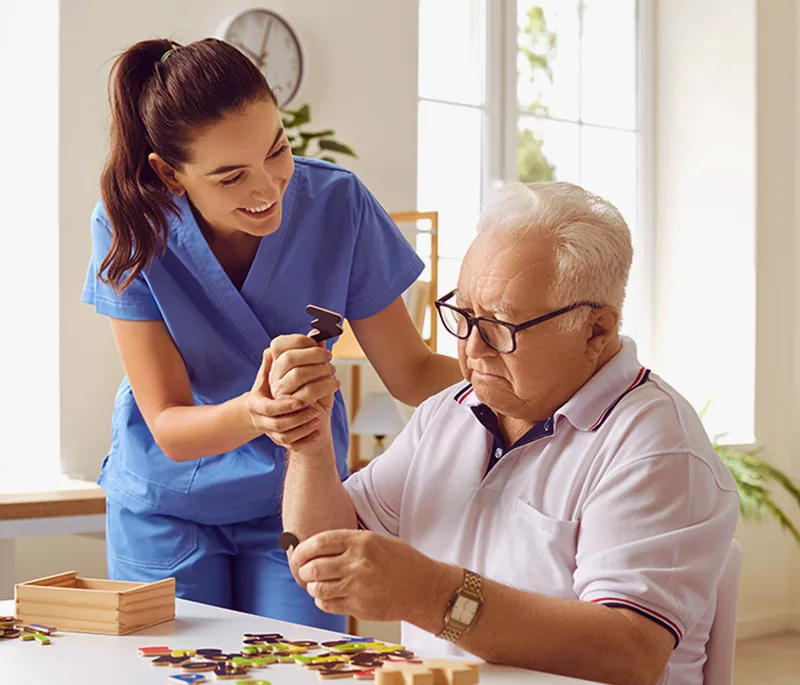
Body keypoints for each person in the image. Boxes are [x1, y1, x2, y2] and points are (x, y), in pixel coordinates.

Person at [275, 182, 739, 685]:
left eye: (500, 325)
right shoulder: (449, 412)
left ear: (596, 330)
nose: (472, 350)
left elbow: (628, 653)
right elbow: (322, 550)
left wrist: (432, 595)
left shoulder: (655, 445)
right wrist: (309, 440)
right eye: (464, 315)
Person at [81, 37, 461, 631]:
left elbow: (413, 374)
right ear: (169, 174)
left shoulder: (339, 204)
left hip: (298, 501)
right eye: (230, 176)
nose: (267, 189)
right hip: (167, 501)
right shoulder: (130, 225)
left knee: (301, 666)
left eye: (276, 150)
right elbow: (170, 427)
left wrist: (520, 368)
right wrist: (259, 413)